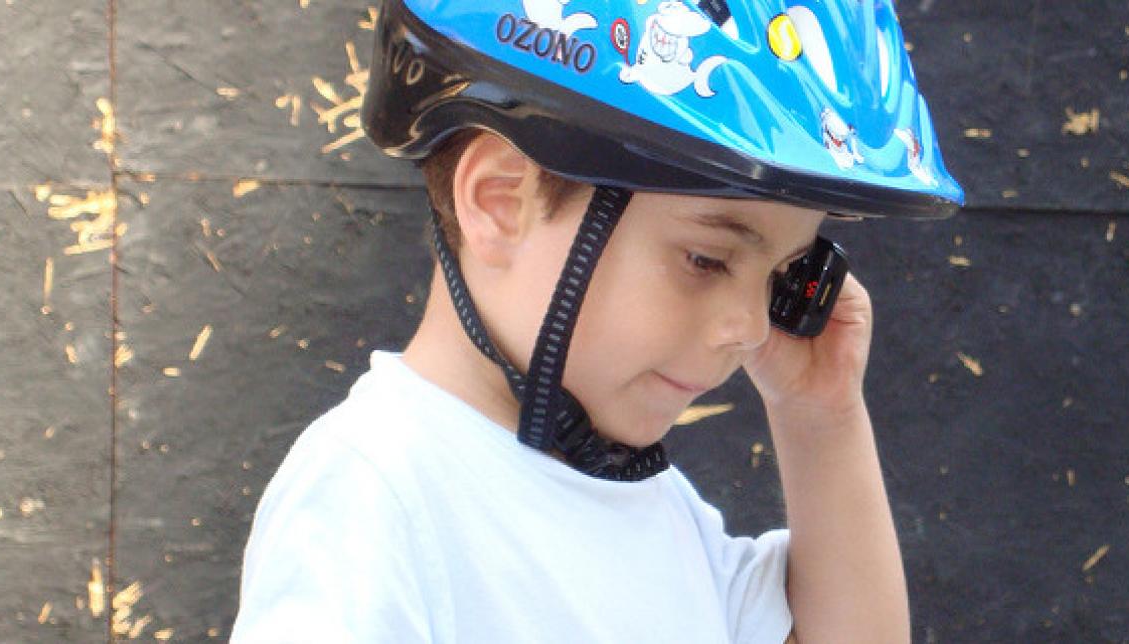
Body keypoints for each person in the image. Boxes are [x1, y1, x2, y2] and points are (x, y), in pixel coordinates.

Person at [232, 0, 963, 641]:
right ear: (499, 202)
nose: (749, 325)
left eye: (781, 278)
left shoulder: (658, 510)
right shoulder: (372, 492)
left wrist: (822, 415)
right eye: (708, 260)